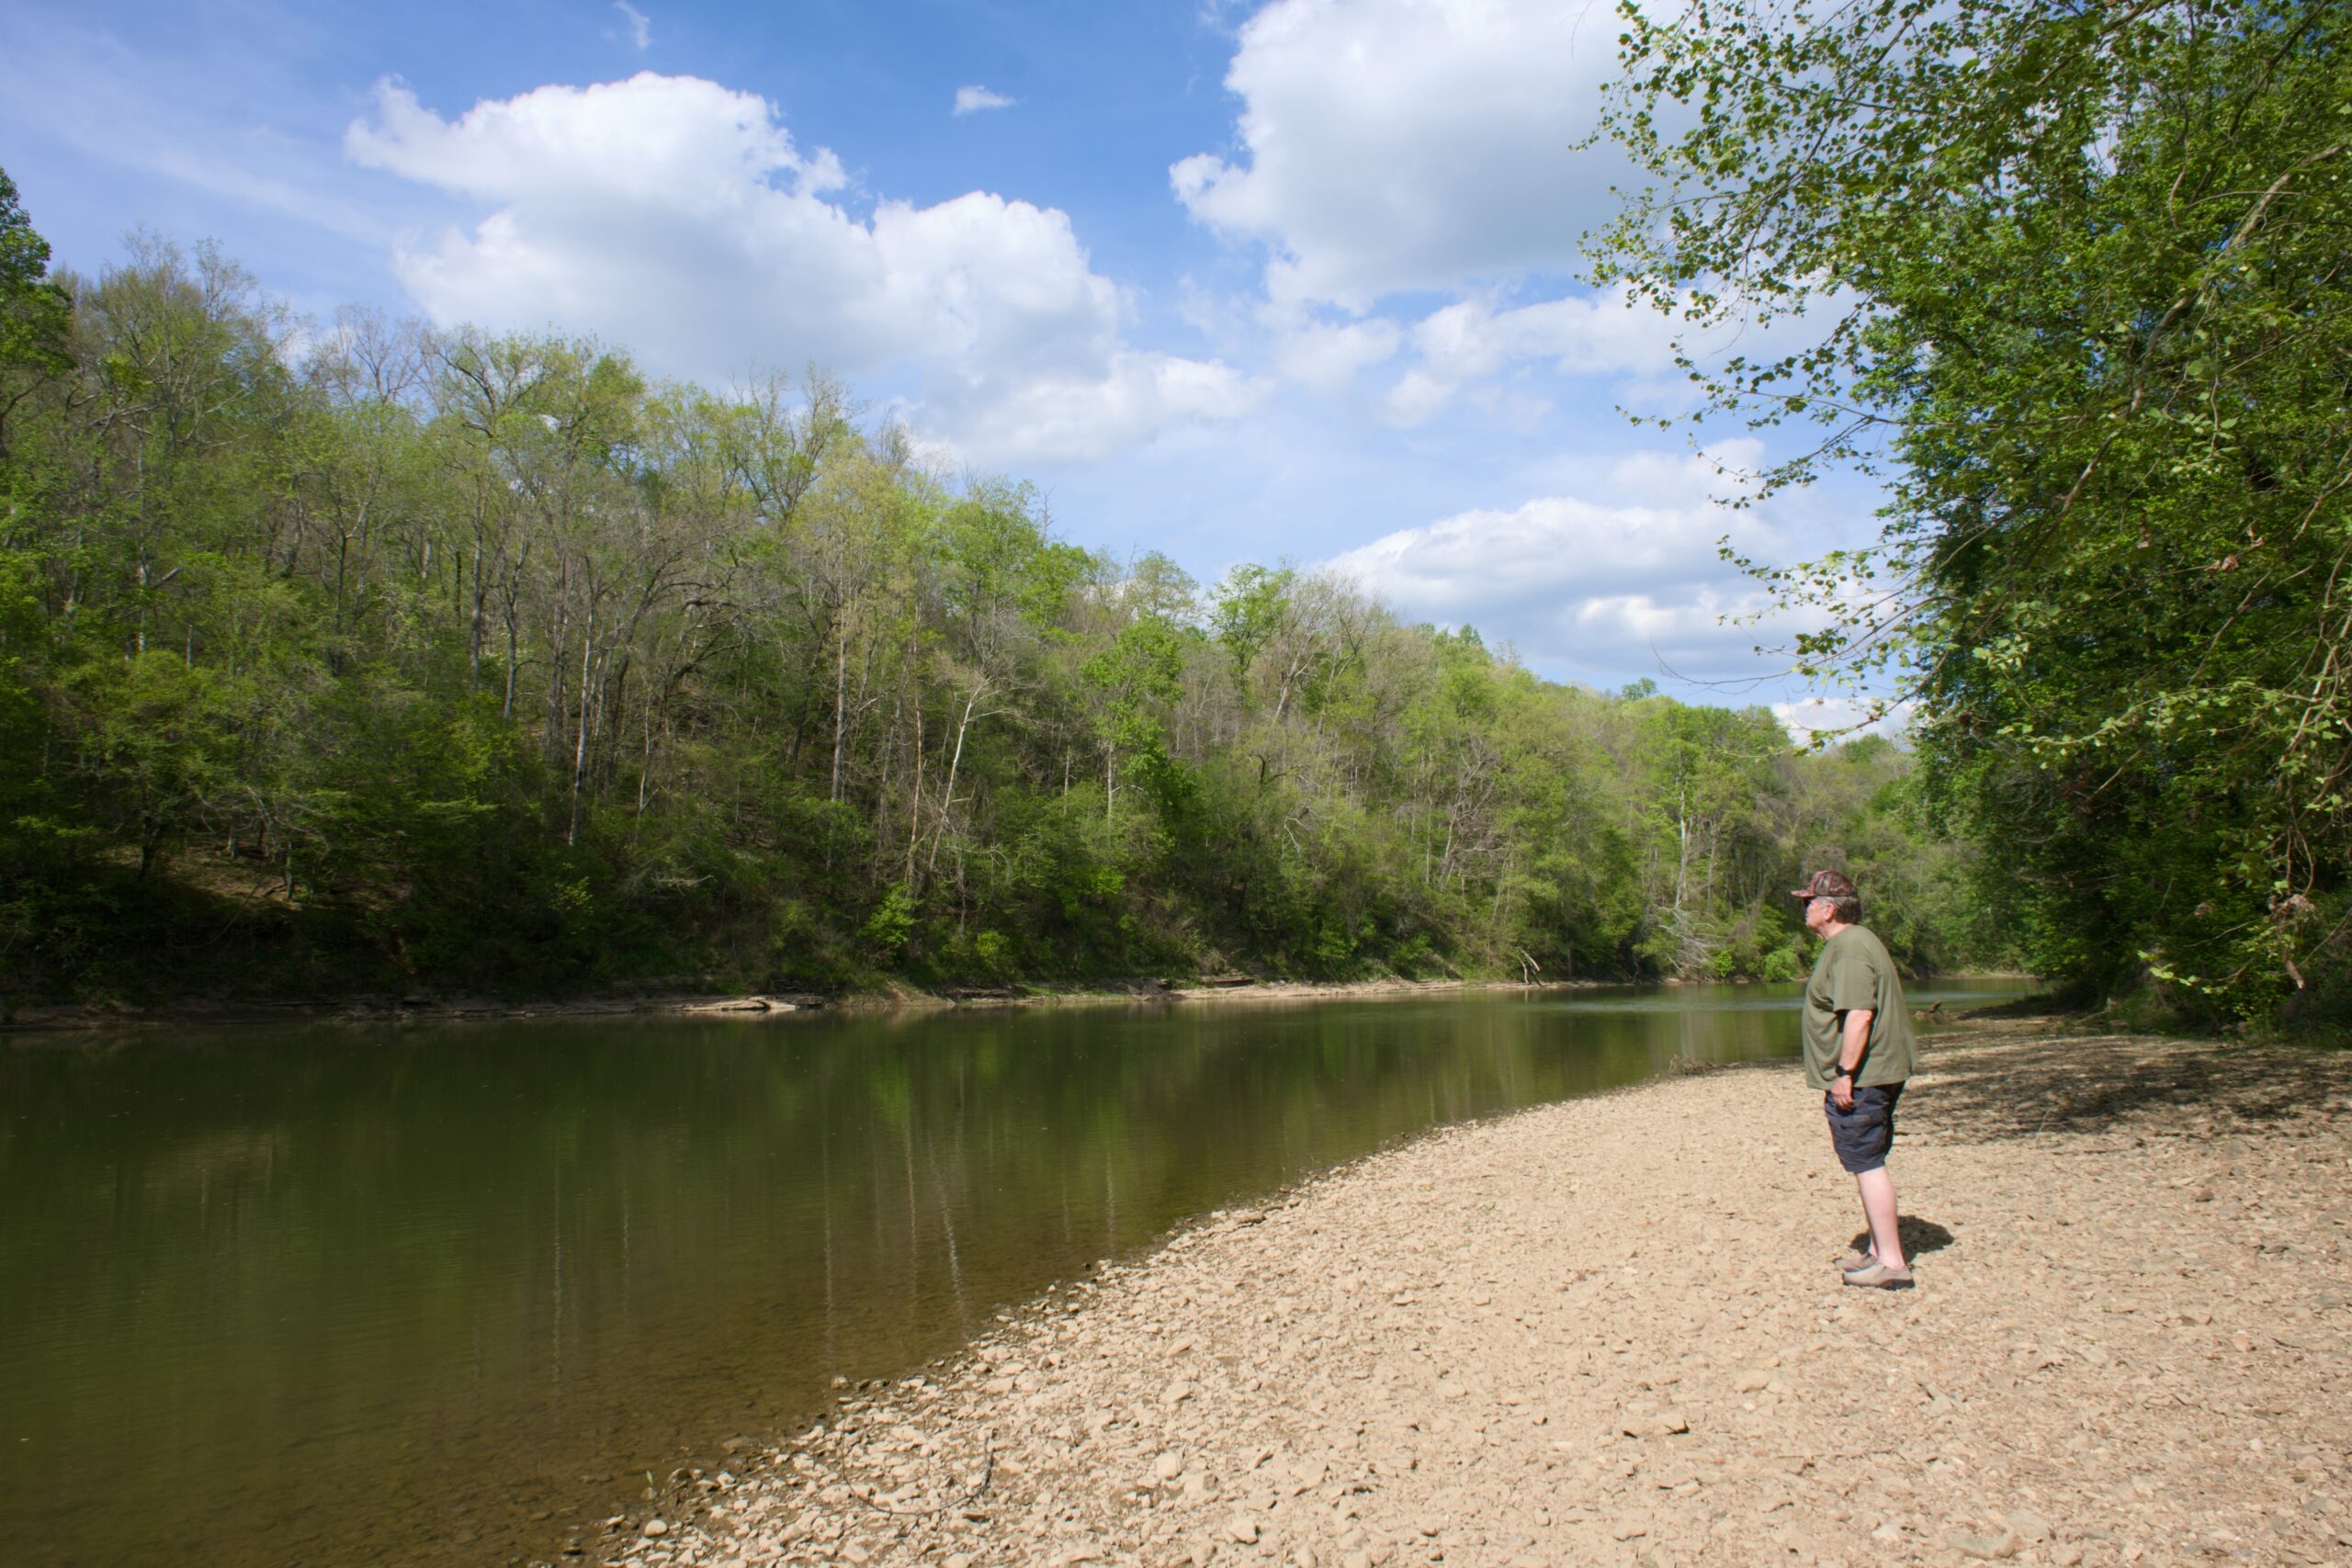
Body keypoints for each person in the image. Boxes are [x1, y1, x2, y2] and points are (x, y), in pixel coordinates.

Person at [1792, 869, 1917, 1288]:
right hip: (1870, 1073)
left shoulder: (1849, 948)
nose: (1805, 908)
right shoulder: (1850, 944)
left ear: (1829, 908)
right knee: (1867, 1159)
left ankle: (1893, 1264)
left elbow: (1859, 1014)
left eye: (1809, 902)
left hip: (1864, 1076)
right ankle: (1879, 1252)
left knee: (1867, 1162)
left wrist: (1843, 1074)